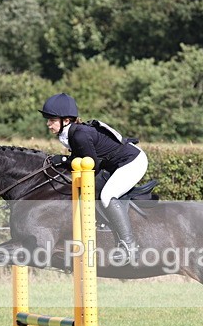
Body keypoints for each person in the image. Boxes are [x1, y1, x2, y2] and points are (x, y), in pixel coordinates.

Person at [39, 92, 148, 262]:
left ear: (65, 121)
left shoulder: (79, 134)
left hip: (133, 162)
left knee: (107, 196)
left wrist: (63, 159)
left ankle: (130, 246)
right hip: (116, 163)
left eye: (52, 120)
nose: (48, 124)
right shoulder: (72, 133)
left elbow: (92, 165)